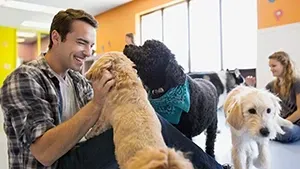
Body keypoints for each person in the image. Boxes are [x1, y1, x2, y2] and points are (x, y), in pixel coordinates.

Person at [0, 8, 228, 169]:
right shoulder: (24, 79)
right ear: (56, 37)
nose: (88, 53)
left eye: (91, 45)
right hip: (55, 164)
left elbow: (103, 122)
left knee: (147, 119)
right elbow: (45, 154)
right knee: (140, 127)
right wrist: (98, 103)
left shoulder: (78, 81)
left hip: (81, 155)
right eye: (81, 42)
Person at [246, 51, 300, 143]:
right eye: (270, 66)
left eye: (274, 66)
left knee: (286, 132)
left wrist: (280, 123)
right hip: (277, 123)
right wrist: (251, 86)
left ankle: (266, 135)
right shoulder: (271, 85)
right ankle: (268, 134)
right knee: (251, 128)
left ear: (285, 65)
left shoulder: (297, 83)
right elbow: (259, 100)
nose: (271, 69)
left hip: (294, 124)